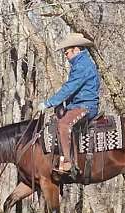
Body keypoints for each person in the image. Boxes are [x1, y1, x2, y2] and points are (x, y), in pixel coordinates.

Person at [38, 32, 100, 175]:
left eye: (67, 52)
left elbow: (69, 88)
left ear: (76, 50)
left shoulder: (82, 66)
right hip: (78, 105)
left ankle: (68, 162)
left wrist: (48, 103)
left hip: (85, 106)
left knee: (64, 124)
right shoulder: (80, 64)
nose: (65, 55)